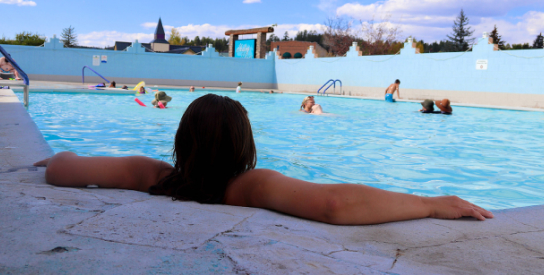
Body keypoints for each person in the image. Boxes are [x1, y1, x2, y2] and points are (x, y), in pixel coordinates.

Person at [34, 94, 493, 225]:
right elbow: (336, 204)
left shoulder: (152, 174)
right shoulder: (247, 186)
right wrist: (430, 203)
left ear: (182, 138)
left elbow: (59, 170)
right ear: (243, 142)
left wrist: (67, 154)